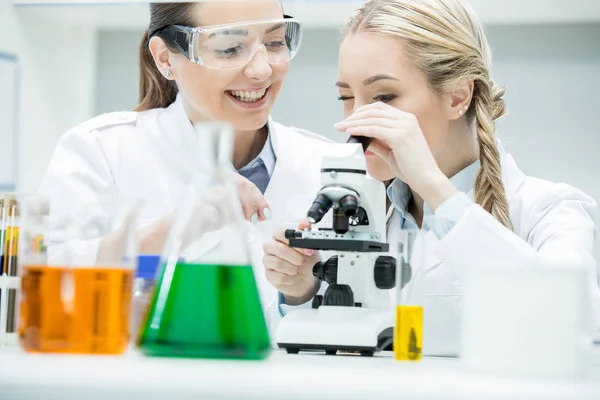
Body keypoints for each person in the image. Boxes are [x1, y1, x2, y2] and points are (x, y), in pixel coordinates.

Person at [263, 0, 600, 356]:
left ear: (458, 96)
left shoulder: (552, 210)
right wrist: (300, 292)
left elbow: (574, 326)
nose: (354, 123)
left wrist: (434, 187)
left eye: (383, 97)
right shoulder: (357, 219)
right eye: (347, 98)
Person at [38, 0, 336, 310]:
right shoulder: (100, 151)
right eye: (230, 48)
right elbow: (45, 295)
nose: (262, 71)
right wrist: (173, 229)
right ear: (165, 58)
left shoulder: (329, 166)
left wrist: (302, 293)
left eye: (275, 42)